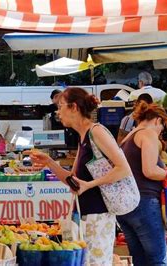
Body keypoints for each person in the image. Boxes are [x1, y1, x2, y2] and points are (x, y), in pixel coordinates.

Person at [30, 87, 132, 265]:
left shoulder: (97, 131)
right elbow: (74, 180)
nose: (58, 112)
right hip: (85, 217)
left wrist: (90, 184)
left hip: (99, 216)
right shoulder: (83, 137)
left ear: (74, 107)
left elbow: (123, 168)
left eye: (61, 106)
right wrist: (49, 163)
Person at [118, 102, 167, 265]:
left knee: (139, 260)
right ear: (157, 120)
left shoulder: (128, 137)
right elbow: (149, 170)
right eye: (162, 127)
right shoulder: (148, 134)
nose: (161, 132)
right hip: (145, 204)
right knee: (157, 259)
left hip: (127, 206)